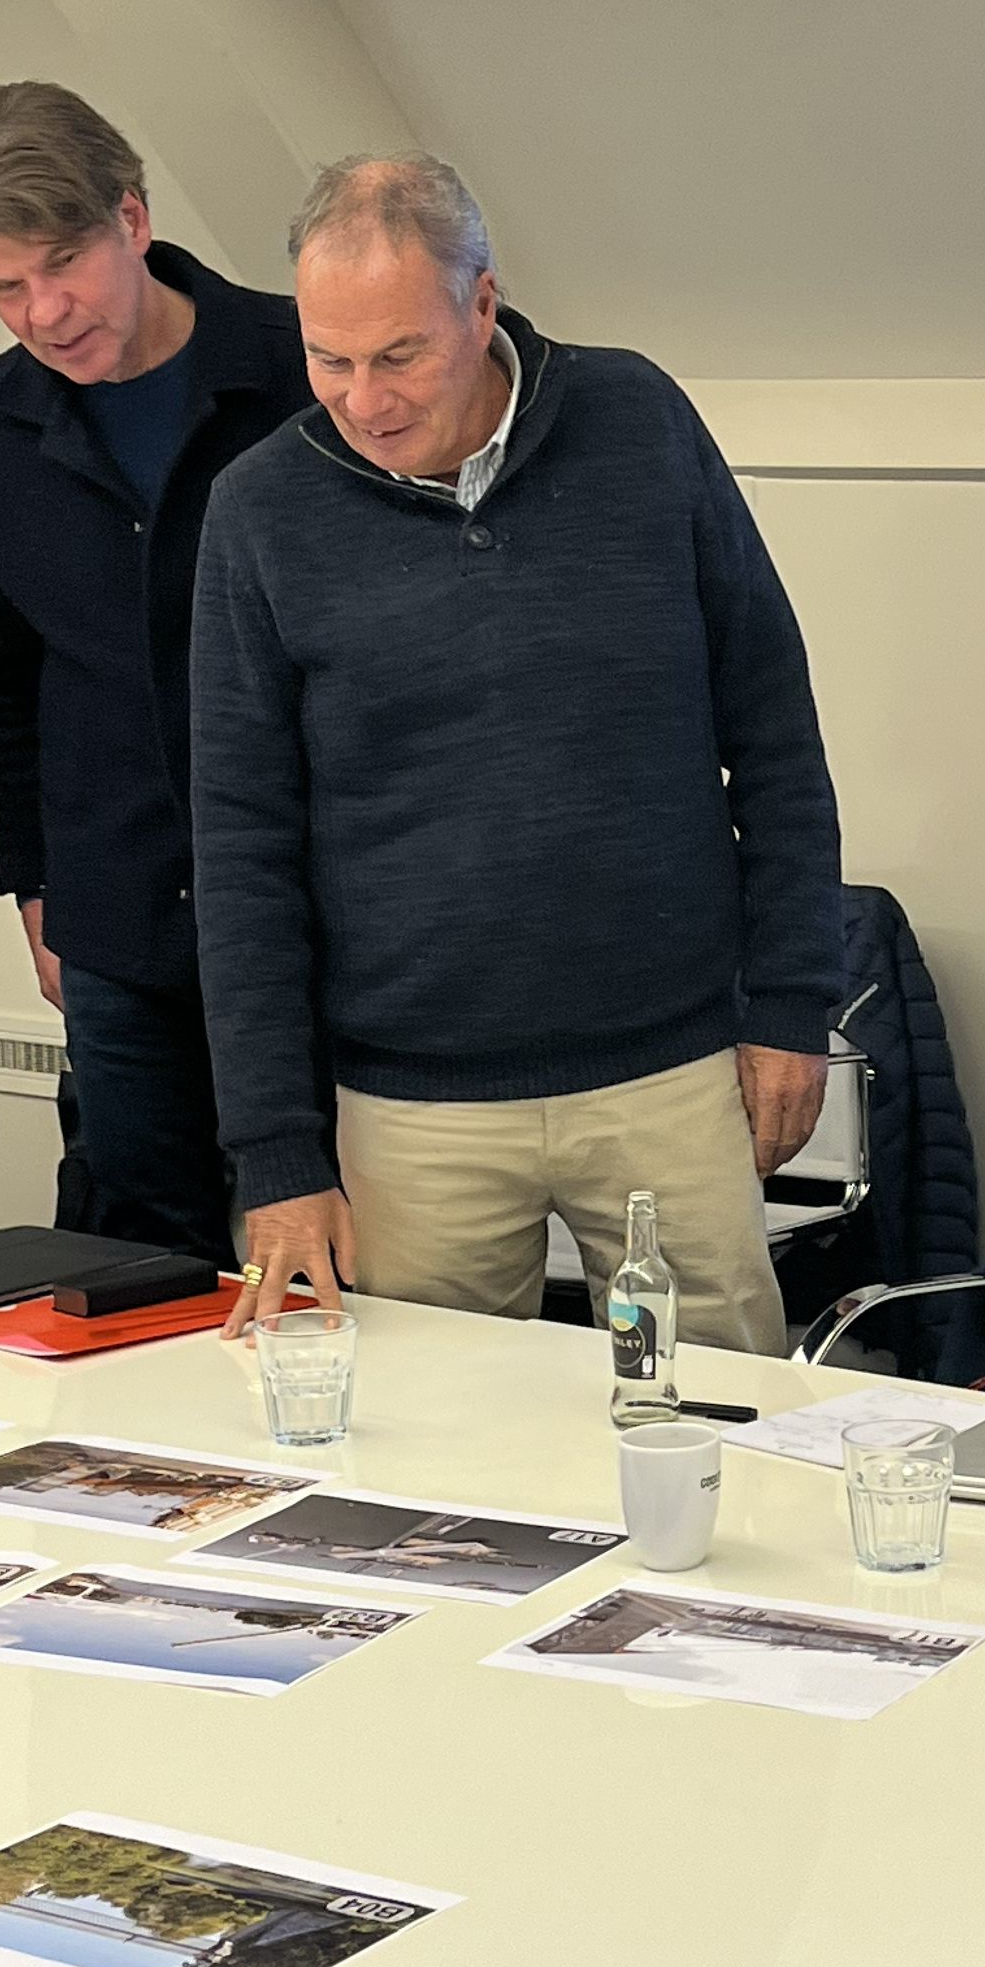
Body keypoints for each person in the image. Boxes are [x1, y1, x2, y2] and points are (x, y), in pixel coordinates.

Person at [188, 153, 845, 1352]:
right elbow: (240, 852)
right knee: (432, 1438)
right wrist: (277, 1151)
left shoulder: (637, 419)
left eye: (400, 356)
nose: (364, 400)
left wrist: (794, 1004)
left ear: (481, 304)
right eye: (329, 360)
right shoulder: (260, 509)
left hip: (668, 1069)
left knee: (715, 1413)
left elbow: (775, 731)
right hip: (411, 1103)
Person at [0, 81, 311, 1259]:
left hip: (317, 910)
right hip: (114, 910)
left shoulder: (305, 370)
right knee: (136, 1260)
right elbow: (7, 674)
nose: (43, 313)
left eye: (62, 264)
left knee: (340, 1261)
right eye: (3, 288)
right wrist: (34, 882)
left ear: (131, 218)